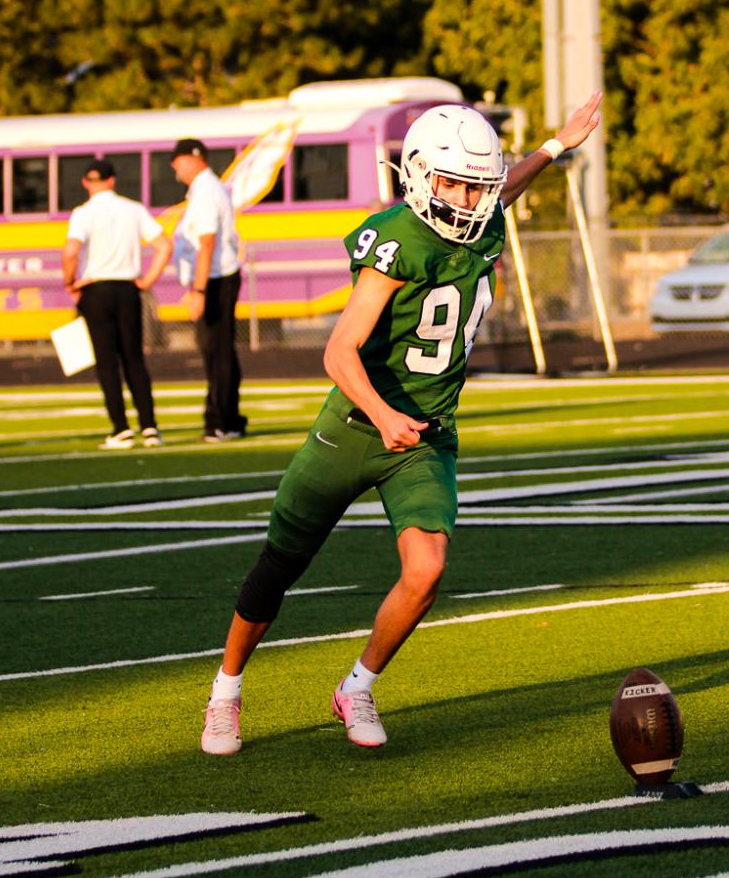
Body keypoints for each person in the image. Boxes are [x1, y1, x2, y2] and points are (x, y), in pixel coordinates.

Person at [199, 91, 603, 755]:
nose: (468, 200)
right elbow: (339, 350)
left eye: (475, 189)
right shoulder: (397, 238)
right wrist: (384, 414)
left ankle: (356, 685)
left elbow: (507, 188)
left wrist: (556, 146)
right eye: (454, 185)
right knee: (279, 565)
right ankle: (225, 691)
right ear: (418, 174)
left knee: (428, 569)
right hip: (359, 422)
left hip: (425, 434)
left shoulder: (482, 219)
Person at [62, 157, 171, 449]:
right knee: (134, 360)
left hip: (96, 289)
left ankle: (121, 428)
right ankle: (149, 427)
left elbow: (71, 250)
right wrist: (147, 280)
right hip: (127, 288)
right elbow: (163, 245)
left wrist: (70, 282)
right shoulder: (133, 209)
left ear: (86, 182)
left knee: (107, 362)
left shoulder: (83, 213)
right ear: (112, 180)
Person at [169, 138, 246, 442]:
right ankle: (230, 418)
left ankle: (219, 420)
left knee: (216, 352)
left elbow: (207, 241)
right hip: (216, 276)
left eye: (176, 161)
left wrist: (198, 289)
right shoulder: (208, 188)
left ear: (189, 159)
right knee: (221, 351)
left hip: (215, 279)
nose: (174, 168)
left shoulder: (205, 191)